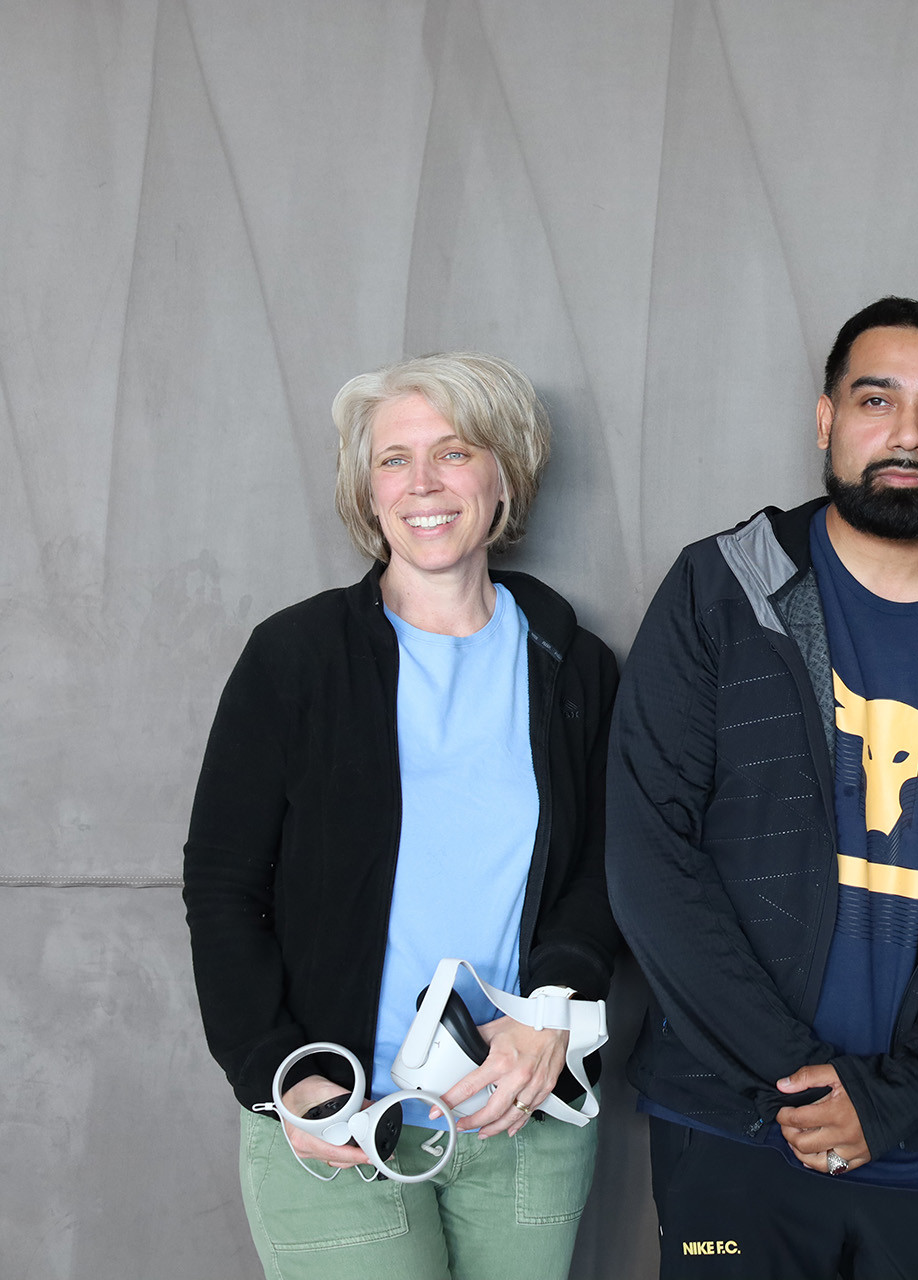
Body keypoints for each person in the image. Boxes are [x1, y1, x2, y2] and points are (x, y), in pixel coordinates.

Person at [606, 297, 918, 1279]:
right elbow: (650, 857)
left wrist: (887, 1098)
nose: (907, 432)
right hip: (736, 1115)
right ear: (826, 419)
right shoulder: (723, 589)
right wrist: (798, 1081)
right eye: (876, 400)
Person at [182, 352, 622, 1279]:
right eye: (394, 459)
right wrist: (283, 1075)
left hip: (522, 1111)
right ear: (367, 488)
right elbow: (222, 886)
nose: (422, 483)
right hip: (339, 1115)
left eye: (453, 452)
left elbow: (605, 866)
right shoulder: (297, 657)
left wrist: (553, 1007)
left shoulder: (572, 667)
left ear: (504, 476)